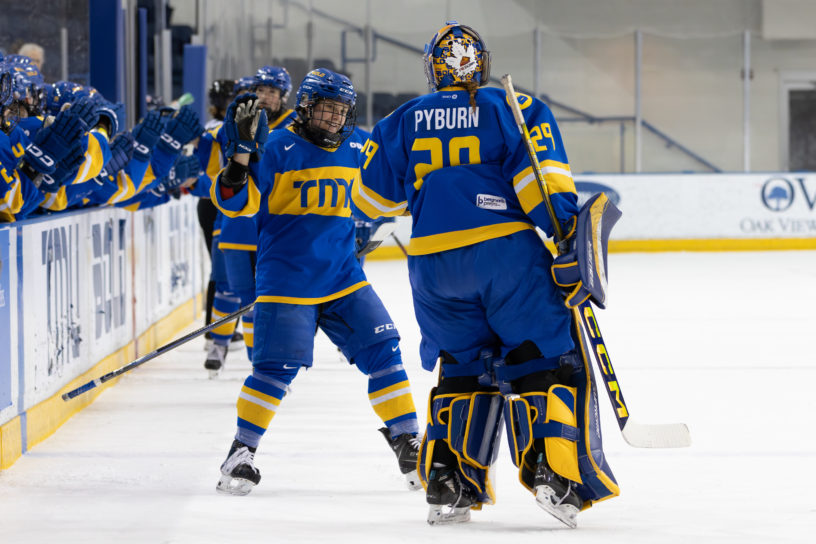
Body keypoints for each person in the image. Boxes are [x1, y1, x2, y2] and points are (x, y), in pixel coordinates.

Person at [351, 21, 620, 527]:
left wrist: (429, 191)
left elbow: (369, 199)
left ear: (434, 69)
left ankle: (448, 481)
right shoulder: (508, 106)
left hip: (432, 266)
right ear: (482, 62)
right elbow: (543, 182)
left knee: (461, 366)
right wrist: (566, 239)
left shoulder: (403, 119)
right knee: (543, 359)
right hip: (505, 256)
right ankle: (551, 472)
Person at [210, 68, 422, 495]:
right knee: (274, 371)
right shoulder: (273, 145)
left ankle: (407, 441)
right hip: (287, 279)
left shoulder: (359, 144)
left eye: (342, 112)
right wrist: (237, 165)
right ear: (306, 107)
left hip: (344, 275)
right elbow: (235, 206)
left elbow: (384, 195)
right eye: (327, 110)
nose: (335, 120)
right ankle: (241, 451)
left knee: (384, 350)